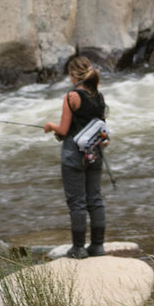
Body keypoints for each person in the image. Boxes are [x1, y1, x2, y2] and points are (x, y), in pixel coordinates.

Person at [42, 56, 109, 259]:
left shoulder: (71, 96)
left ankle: (78, 249)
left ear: (73, 76)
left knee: (77, 202)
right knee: (95, 199)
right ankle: (97, 246)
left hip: (74, 156)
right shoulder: (99, 96)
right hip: (95, 153)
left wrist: (50, 127)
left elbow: (63, 129)